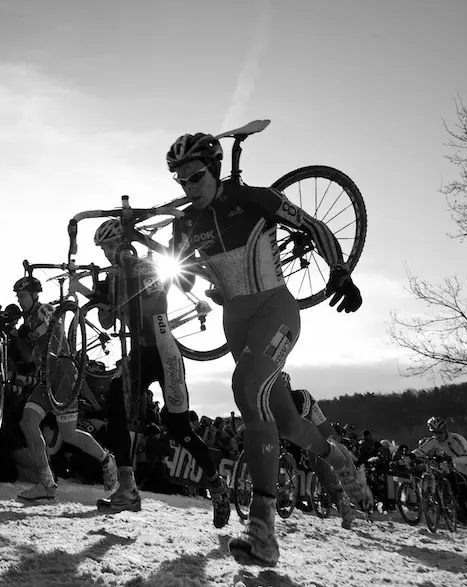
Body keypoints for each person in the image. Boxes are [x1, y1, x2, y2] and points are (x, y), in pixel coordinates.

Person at [165, 132, 367, 567]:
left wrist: (340, 271)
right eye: (181, 181)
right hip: (236, 324)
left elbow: (315, 226)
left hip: (276, 311)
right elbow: (178, 275)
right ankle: (340, 457)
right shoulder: (184, 223)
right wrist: (185, 272)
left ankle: (262, 531)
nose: (190, 187)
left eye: (196, 176)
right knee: (289, 423)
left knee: (246, 385)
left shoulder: (254, 198)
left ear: (215, 169)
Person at [90, 218, 232, 526]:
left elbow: (156, 303)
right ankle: (127, 489)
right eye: (103, 249)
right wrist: (100, 297)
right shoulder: (113, 276)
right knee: (114, 404)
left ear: (125, 244)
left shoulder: (145, 267)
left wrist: (128, 282)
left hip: (165, 350)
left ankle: (217, 486)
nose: (107, 254)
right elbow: (106, 321)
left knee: (178, 427)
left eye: (111, 246)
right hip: (139, 351)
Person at [12, 275, 119, 501]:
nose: (20, 301)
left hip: (62, 372)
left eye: (23, 296)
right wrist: (20, 339)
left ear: (34, 295)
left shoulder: (44, 310)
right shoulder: (29, 318)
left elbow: (57, 333)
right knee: (28, 421)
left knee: (69, 434)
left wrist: (33, 334)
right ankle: (46, 483)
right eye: (18, 297)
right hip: (47, 376)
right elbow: (32, 355)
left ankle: (107, 460)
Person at [279, 372, 357, 528]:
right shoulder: (276, 403)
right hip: (300, 432)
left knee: (320, 464)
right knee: (317, 467)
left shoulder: (301, 395)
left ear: (287, 386)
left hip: (321, 430)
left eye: (281, 389)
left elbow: (305, 419)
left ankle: (343, 500)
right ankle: (340, 500)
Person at [412, 416, 467, 528]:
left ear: (446, 430)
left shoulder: (457, 439)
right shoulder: (433, 441)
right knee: (462, 496)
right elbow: (420, 451)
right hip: (460, 472)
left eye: (440, 432)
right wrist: (409, 455)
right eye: (435, 433)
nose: (438, 435)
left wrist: (450, 460)